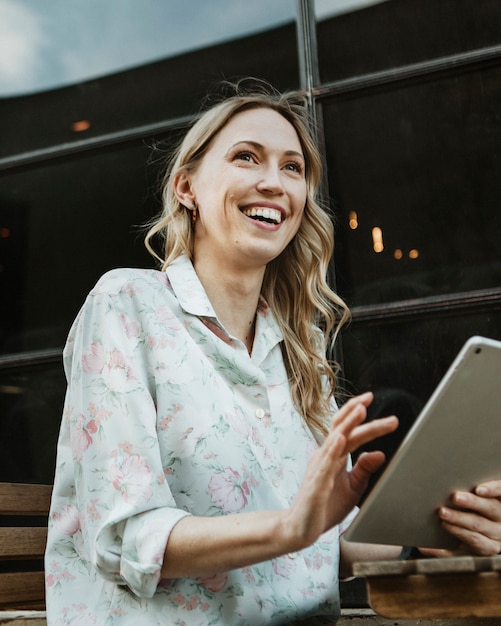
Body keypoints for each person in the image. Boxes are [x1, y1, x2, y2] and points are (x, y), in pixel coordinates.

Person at [45, 81, 501, 626]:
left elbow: (325, 541)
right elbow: (125, 537)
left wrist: (438, 536)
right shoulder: (126, 304)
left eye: (293, 168)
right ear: (186, 186)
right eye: (246, 157)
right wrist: (291, 526)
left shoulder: (298, 344)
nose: (274, 182)